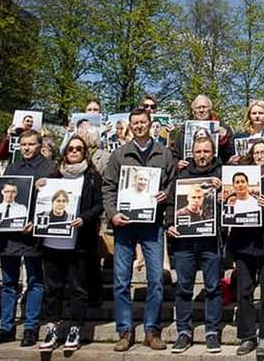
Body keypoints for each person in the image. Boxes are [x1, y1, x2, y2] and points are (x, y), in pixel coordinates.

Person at [102, 106, 177, 351]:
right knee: (122, 281)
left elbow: (173, 186)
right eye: (134, 122)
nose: (138, 125)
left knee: (155, 279)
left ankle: (151, 330)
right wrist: (112, 215)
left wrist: (164, 195)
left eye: (142, 122)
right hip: (124, 225)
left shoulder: (163, 154)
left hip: (152, 224)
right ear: (130, 125)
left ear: (150, 123)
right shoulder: (120, 155)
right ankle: (124, 330)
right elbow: (108, 188)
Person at [0, 129, 56, 348]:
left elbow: (55, 201)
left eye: (31, 144)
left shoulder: (49, 168)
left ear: (39, 145)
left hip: (32, 233)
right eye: (23, 144)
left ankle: (31, 327)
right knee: (8, 282)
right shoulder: (12, 167)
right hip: (8, 234)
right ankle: (6, 326)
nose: (26, 148)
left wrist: (36, 220)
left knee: (35, 280)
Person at [37, 135, 103, 351]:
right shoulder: (53, 177)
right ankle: (52, 329)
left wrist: (84, 218)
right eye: (71, 149)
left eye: (79, 149)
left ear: (85, 153)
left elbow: (99, 205)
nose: (74, 152)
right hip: (52, 242)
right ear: (64, 152)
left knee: (78, 288)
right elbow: (42, 203)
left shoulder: (92, 177)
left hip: (79, 242)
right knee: (53, 288)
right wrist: (39, 188)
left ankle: (75, 329)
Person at [168, 131, 223, 354]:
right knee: (183, 287)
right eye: (198, 151)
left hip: (211, 241)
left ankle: (212, 332)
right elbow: (171, 204)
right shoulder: (181, 175)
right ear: (192, 153)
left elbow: (233, 205)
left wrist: (223, 195)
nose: (202, 155)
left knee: (212, 287)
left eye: (206, 151)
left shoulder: (221, 175)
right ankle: (183, 331)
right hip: (184, 242)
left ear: (213, 153)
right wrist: (169, 224)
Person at [229, 140, 264, 360]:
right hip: (243, 243)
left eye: (263, 152)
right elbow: (229, 209)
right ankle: (247, 336)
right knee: (243, 291)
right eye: (256, 152)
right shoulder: (239, 178)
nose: (259, 155)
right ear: (251, 156)